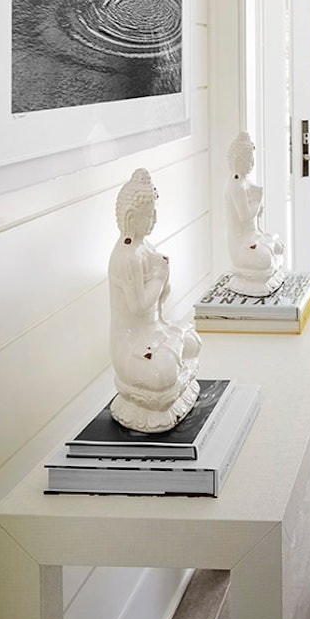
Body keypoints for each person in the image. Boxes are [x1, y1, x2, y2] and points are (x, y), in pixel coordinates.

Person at [108, 168, 200, 431]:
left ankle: (175, 352)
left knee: (193, 342)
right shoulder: (126, 257)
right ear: (130, 217)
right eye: (149, 214)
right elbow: (138, 307)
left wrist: (164, 274)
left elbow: (162, 299)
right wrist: (159, 277)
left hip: (155, 332)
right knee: (163, 373)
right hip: (131, 346)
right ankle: (149, 398)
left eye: (155, 212)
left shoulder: (144, 247)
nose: (155, 219)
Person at [224, 131, 285, 296]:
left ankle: (269, 247)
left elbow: (255, 219)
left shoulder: (245, 181)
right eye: (249, 159)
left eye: (252, 158)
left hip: (255, 237)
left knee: (279, 246)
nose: (252, 163)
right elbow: (245, 217)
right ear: (238, 161)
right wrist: (257, 200)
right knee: (265, 259)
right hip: (241, 245)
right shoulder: (236, 185)